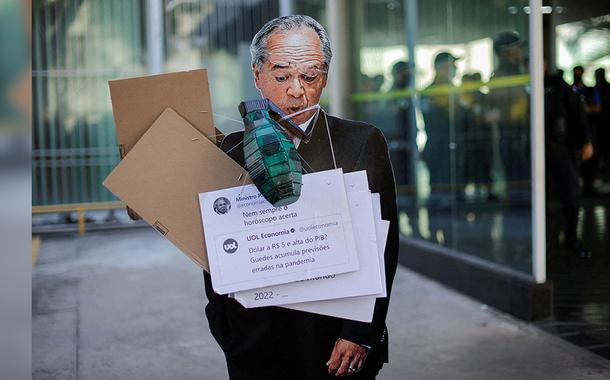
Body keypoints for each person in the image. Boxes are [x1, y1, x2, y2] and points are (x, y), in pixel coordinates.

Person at [203, 15, 398, 379]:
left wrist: (360, 333)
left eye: (310, 76)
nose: (297, 91)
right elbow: (213, 243)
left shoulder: (360, 142)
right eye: (282, 76)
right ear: (258, 74)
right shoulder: (231, 150)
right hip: (254, 337)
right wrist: (225, 324)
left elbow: (384, 247)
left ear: (324, 75)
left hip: (333, 339)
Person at [545, 66, 593, 257]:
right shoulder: (525, 82)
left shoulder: (558, 86)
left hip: (560, 147)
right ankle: (545, 244)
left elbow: (577, 113)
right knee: (542, 199)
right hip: (535, 150)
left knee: (570, 194)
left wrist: (586, 140)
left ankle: (571, 238)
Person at [490, 31, 530, 202]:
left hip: (519, 136)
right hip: (514, 137)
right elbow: (511, 114)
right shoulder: (503, 77)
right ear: (506, 52)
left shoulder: (519, 73)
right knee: (517, 185)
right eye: (518, 48)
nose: (521, 52)